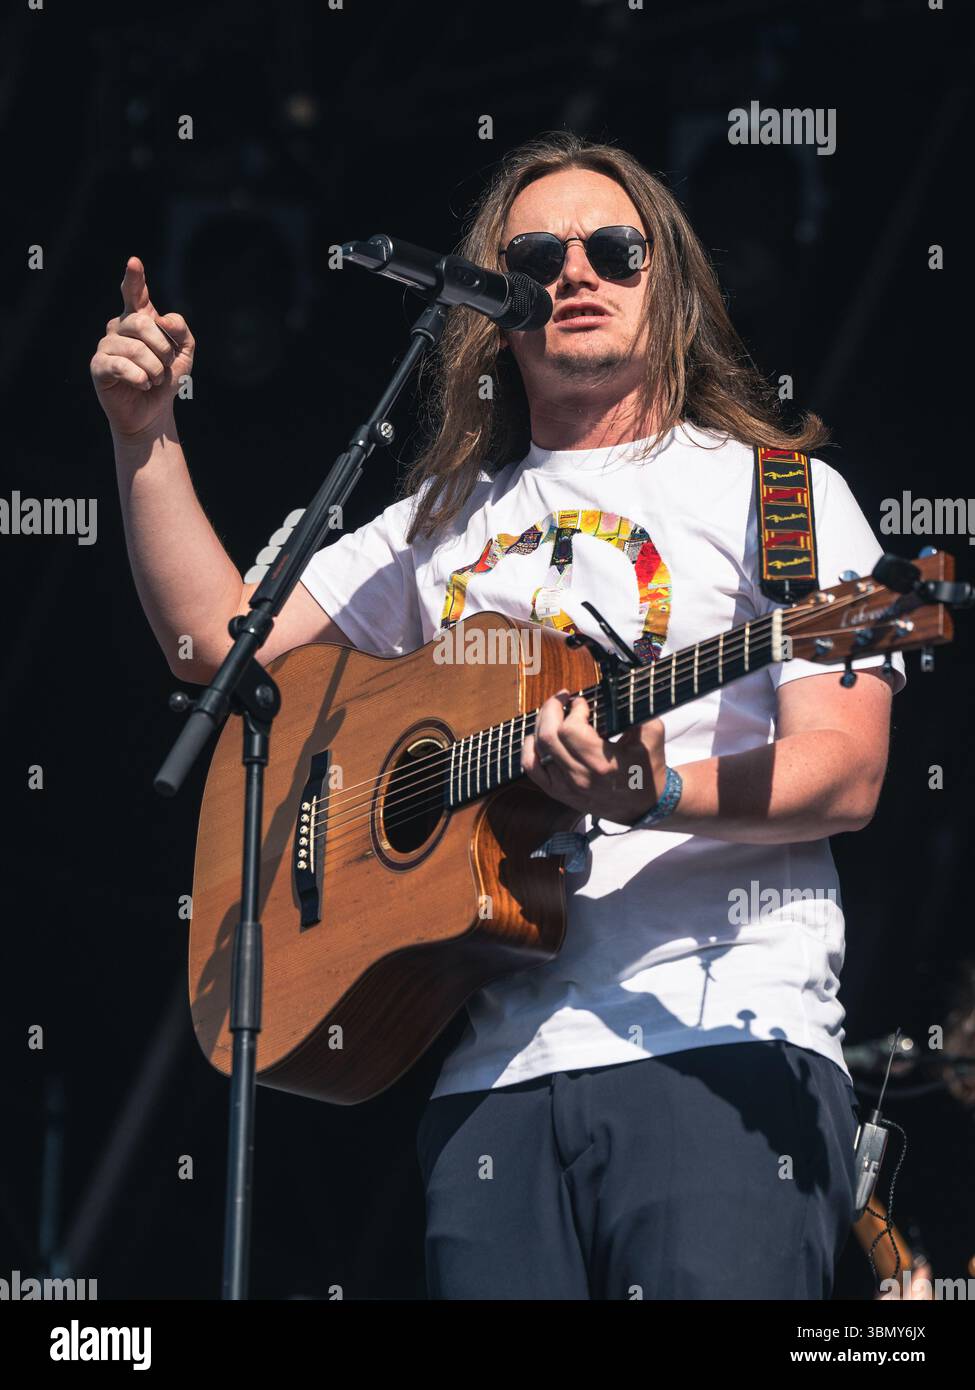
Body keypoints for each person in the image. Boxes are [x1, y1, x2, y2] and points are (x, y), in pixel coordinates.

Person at [91, 131, 903, 1300]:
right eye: (537, 255)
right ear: (496, 302)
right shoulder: (441, 520)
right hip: (489, 1074)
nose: (575, 272)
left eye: (614, 250)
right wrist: (145, 438)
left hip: (718, 1044)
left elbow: (848, 765)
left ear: (666, 283)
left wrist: (654, 790)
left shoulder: (777, 489)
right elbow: (216, 648)